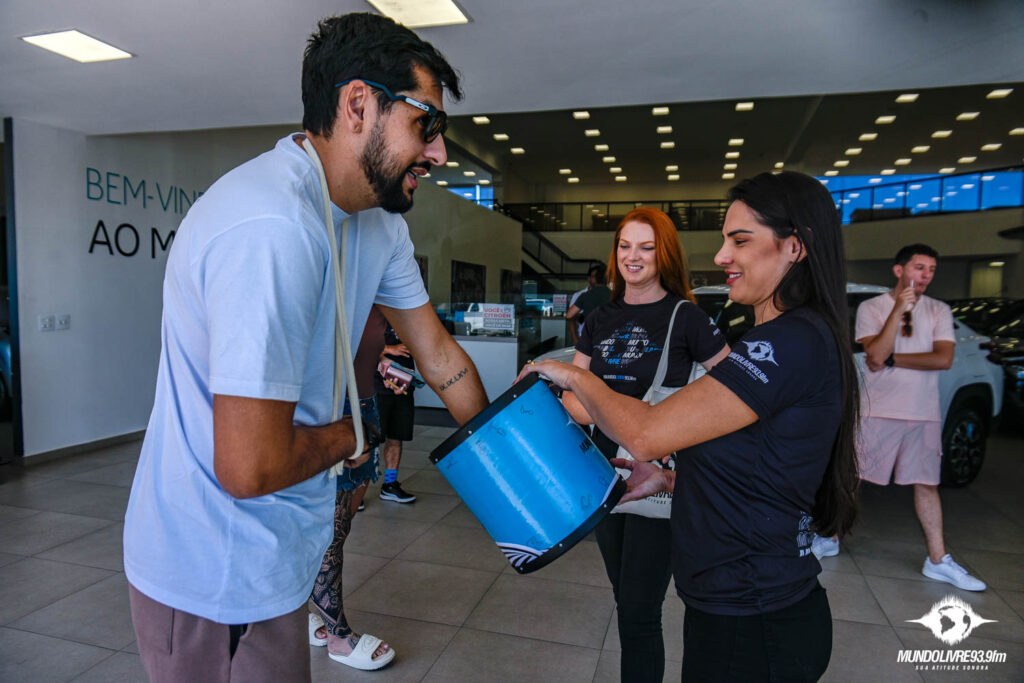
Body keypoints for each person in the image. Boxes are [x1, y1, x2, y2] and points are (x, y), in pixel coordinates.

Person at [122, 13, 487, 683]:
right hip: (212, 572)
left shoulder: (377, 224)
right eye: (426, 124)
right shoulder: (271, 226)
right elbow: (250, 466)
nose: (438, 153)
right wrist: (354, 434)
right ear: (358, 105)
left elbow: (439, 356)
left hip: (275, 559)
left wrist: (521, 469)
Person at [520, 171, 861, 682]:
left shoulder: (787, 343)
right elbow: (760, 464)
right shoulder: (779, 339)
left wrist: (572, 374)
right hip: (729, 608)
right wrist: (672, 478)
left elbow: (647, 434)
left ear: (795, 247)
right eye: (725, 240)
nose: (722, 256)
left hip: (756, 618)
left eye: (739, 240)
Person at [562, 208, 729, 682]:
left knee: (638, 611)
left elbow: (735, 394)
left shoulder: (687, 317)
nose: (632, 256)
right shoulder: (599, 317)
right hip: (603, 475)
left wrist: (608, 406)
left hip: (656, 476)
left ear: (665, 254)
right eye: (625, 246)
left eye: (646, 247)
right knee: (626, 600)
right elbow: (573, 398)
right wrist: (624, 410)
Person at [812, 245, 985, 591]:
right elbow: (876, 355)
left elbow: (942, 359)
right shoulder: (872, 308)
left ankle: (938, 559)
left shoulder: (938, 310)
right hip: (877, 409)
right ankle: (830, 537)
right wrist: (897, 311)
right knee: (852, 476)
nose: (926, 275)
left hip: (923, 412)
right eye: (919, 267)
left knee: (927, 483)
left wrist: (895, 360)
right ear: (899, 270)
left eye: (931, 269)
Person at [307, 305, 394, 670]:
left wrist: (381, 358)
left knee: (339, 528)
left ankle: (300, 610)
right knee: (330, 530)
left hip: (365, 405)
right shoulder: (327, 282)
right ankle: (339, 637)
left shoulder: (378, 289)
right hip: (330, 410)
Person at [375, 315, 418, 504]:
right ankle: (355, 490)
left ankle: (390, 485)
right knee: (369, 441)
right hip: (376, 386)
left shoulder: (407, 314)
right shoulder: (371, 312)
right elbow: (356, 342)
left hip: (403, 385)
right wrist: (388, 349)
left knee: (396, 437)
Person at [565, 262, 611, 341]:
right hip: (609, 337)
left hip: (588, 336)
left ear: (595, 279)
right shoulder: (614, 295)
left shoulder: (584, 295)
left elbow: (569, 316)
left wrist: (581, 316)